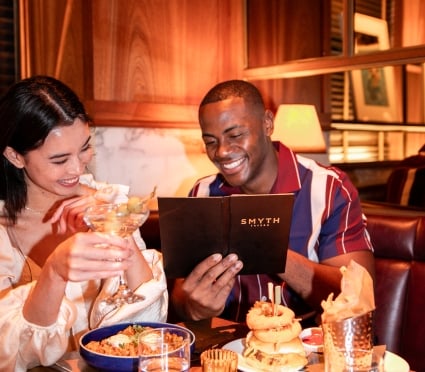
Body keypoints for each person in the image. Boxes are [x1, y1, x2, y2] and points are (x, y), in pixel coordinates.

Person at [170, 79, 375, 324]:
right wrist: (196, 307)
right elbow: (181, 299)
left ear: (267, 124)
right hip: (228, 349)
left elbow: (358, 298)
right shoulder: (202, 193)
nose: (222, 152)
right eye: (211, 141)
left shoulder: (329, 188)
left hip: (310, 349)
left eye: (235, 135)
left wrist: (268, 248)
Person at [0, 76, 167, 371]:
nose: (78, 168)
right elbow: (11, 355)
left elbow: (148, 326)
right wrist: (54, 272)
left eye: (85, 148)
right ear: (15, 156)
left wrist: (115, 225)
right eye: (59, 159)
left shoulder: (108, 203)